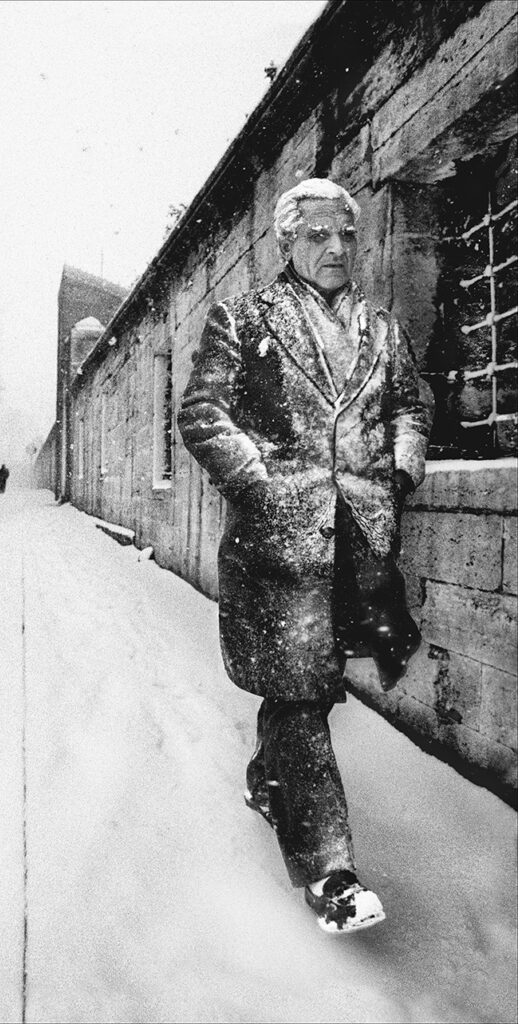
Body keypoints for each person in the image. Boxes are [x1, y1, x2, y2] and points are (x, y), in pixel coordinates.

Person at [178, 178, 434, 933]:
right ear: (286, 241)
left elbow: (409, 407)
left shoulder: (384, 330)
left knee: (310, 686)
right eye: (317, 234)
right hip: (279, 548)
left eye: (345, 235)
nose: (334, 248)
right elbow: (202, 413)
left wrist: (401, 467)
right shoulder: (246, 319)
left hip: (358, 546)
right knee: (297, 691)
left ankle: (266, 779)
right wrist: (262, 486)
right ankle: (332, 872)